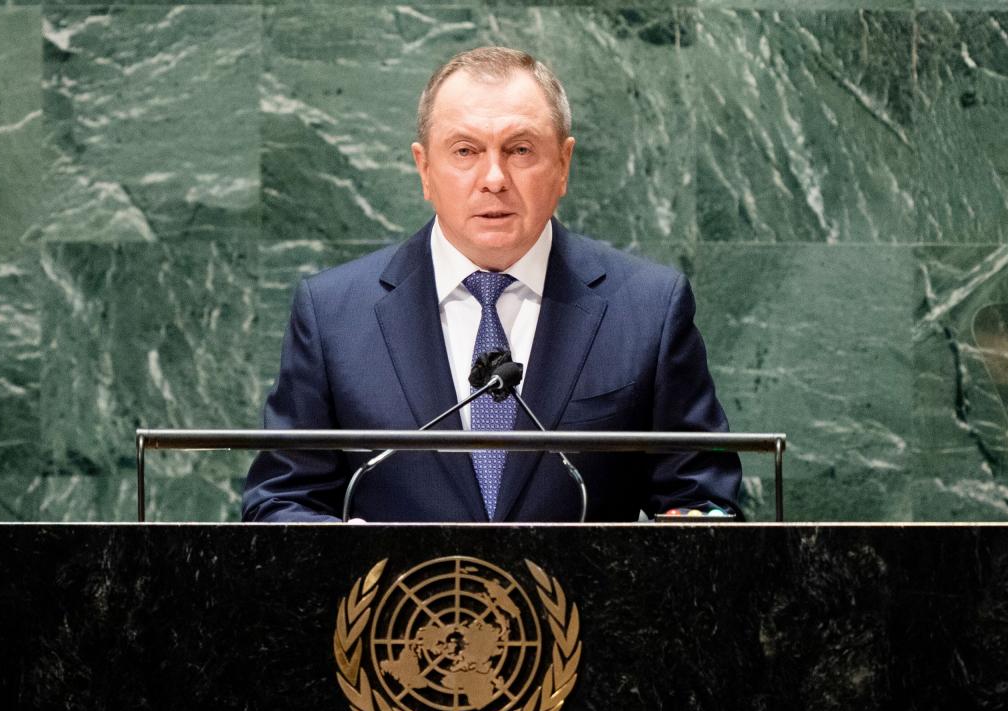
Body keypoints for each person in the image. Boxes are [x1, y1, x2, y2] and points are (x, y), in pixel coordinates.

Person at [242, 46, 741, 523]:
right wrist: (339, 550)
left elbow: (703, 500)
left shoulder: (648, 310)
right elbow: (281, 500)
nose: (495, 178)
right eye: (465, 151)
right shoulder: (333, 316)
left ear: (563, 164)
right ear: (424, 168)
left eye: (520, 150)